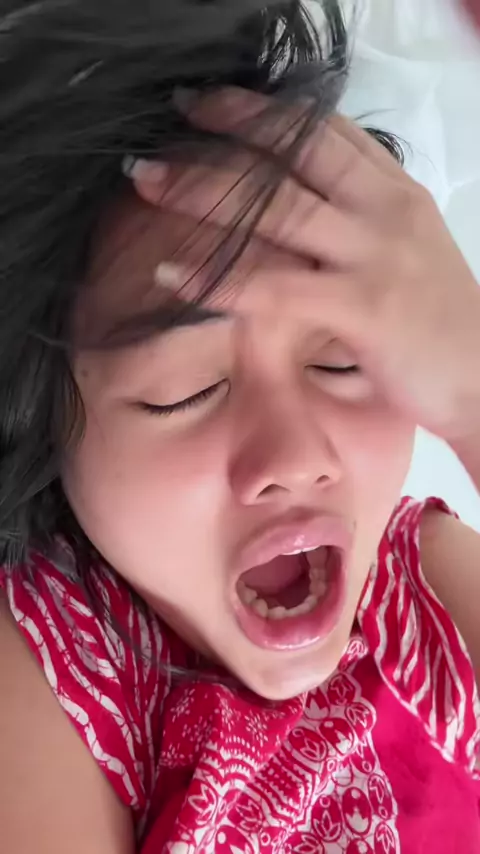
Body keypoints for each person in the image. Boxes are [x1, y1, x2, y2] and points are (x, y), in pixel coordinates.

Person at [0, 1, 479, 852]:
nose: (295, 457)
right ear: (46, 420)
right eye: (184, 392)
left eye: (342, 361)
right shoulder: (50, 653)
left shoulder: (424, 585)